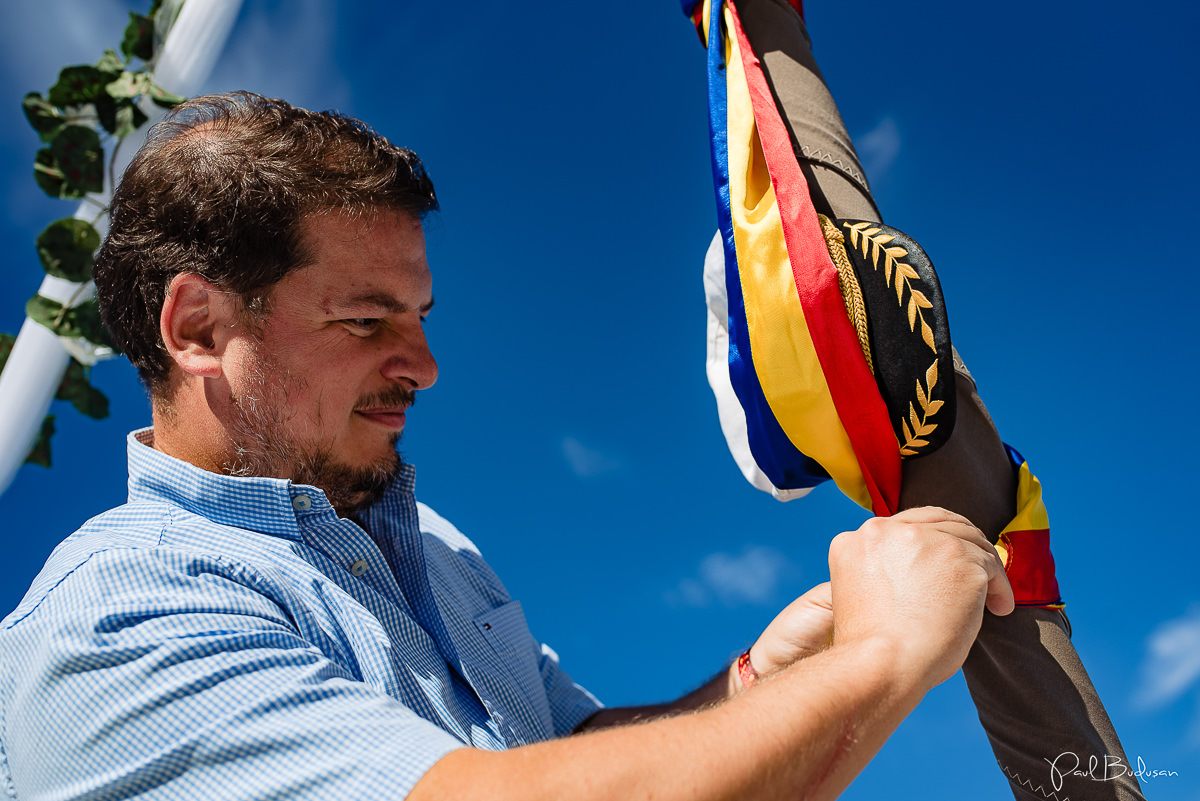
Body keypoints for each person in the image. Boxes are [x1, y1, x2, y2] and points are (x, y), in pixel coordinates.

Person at [0, 8, 1132, 801]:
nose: (425, 365)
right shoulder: (117, 620)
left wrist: (757, 680)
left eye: (424, 314)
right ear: (198, 328)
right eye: (367, 320)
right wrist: (883, 660)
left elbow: (569, 754)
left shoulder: (429, 549)